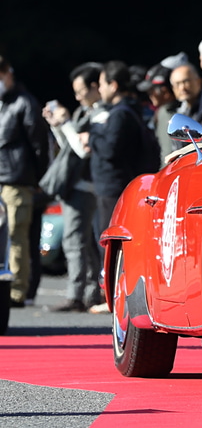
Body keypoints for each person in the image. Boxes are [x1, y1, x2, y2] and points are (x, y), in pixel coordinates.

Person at [41, 62, 104, 312]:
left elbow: (82, 151)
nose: (77, 96)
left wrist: (65, 123)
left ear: (94, 86)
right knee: (82, 241)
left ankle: (76, 294)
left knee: (74, 241)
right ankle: (88, 292)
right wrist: (57, 125)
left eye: (80, 91)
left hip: (84, 185)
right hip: (75, 184)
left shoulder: (98, 114)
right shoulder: (82, 112)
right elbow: (68, 145)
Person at [0, 56, 50, 308]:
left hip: (17, 181)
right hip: (4, 179)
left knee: (16, 235)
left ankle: (17, 291)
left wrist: (39, 178)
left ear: (8, 73)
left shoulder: (24, 102)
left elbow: (39, 146)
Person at [87, 61, 153, 246]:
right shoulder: (131, 110)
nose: (99, 90)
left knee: (111, 241)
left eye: (102, 84)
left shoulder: (120, 115)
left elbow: (110, 150)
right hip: (120, 183)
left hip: (114, 187)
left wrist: (92, 136)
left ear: (113, 85)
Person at [155, 62, 202, 162]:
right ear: (173, 88)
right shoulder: (172, 112)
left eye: (186, 82)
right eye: (177, 84)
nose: (182, 88)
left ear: (198, 82)